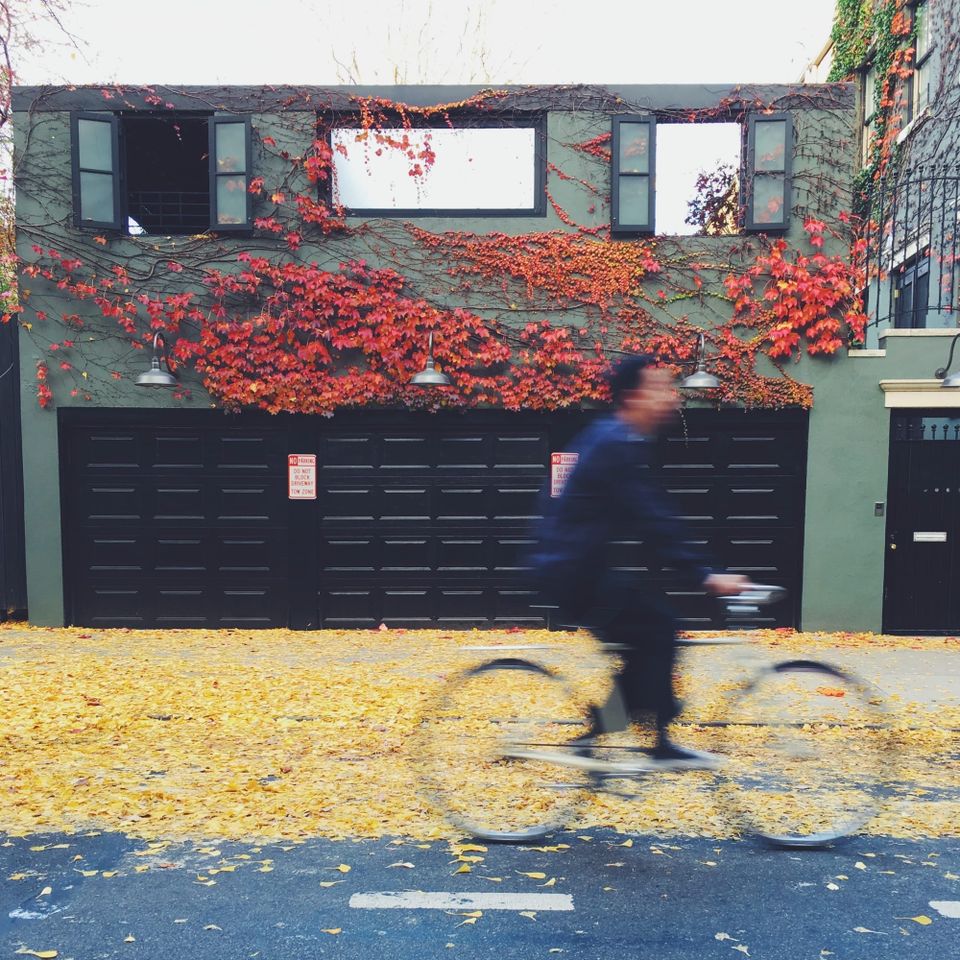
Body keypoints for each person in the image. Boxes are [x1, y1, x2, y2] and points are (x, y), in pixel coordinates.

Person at [531, 354, 749, 768]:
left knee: (646, 635)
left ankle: (610, 728)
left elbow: (651, 516)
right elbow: (653, 519)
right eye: (660, 389)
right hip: (570, 571)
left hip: (574, 566)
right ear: (633, 397)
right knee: (659, 626)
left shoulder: (616, 439)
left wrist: (699, 568)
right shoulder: (615, 442)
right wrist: (706, 575)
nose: (672, 398)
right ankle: (653, 740)